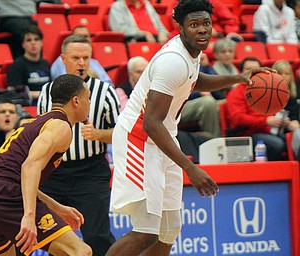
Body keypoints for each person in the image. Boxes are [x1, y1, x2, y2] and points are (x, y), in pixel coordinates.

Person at [106, 1, 273, 255]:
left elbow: (195, 80)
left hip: (162, 137)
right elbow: (151, 122)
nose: (202, 30)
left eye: (206, 23)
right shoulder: (172, 61)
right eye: (194, 25)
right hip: (138, 139)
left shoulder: (191, 56)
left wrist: (239, 78)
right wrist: (189, 167)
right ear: (180, 28)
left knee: (169, 229)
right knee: (146, 232)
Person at [0, 74, 93, 256]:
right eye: (88, 98)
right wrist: (29, 215)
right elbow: (29, 167)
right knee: (80, 251)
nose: (89, 103)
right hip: (4, 193)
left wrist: (57, 207)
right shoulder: (61, 126)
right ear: (76, 101)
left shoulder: (40, 121)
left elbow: (18, 178)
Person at [38, 34, 119, 256]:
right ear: (63, 59)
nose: (82, 63)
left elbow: (122, 134)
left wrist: (99, 134)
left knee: (97, 235)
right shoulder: (47, 91)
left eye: (86, 58)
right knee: (49, 235)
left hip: (90, 171)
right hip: (54, 172)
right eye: (76, 57)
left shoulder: (105, 92)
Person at [226, 57, 296, 161]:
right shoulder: (236, 93)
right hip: (247, 134)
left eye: (256, 69)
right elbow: (238, 118)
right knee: (277, 144)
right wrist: (266, 121)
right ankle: (272, 175)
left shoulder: (266, 90)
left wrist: (281, 121)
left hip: (267, 131)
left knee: (294, 141)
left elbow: (273, 112)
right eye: (248, 69)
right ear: (241, 72)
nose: (252, 72)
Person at [7, 25, 51, 106]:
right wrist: (42, 94)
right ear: (23, 45)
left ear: (41, 43)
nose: (33, 43)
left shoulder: (46, 63)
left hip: (47, 103)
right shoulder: (17, 65)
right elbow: (14, 93)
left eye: (36, 39)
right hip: (28, 105)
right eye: (28, 40)